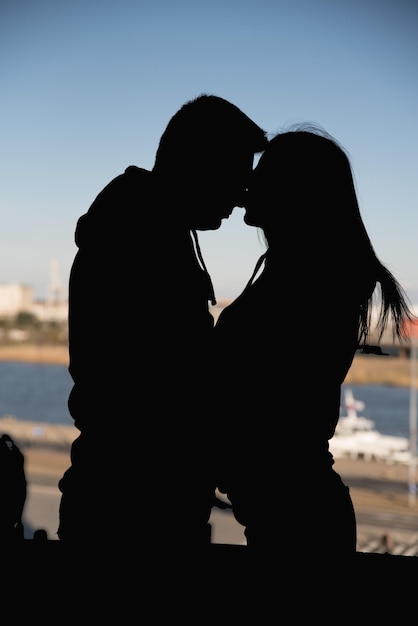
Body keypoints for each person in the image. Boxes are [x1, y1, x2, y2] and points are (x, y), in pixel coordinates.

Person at [57, 94, 268, 550]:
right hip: (133, 510)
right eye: (236, 176)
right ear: (200, 163)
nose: (241, 195)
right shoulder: (142, 237)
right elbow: (163, 383)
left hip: (126, 497)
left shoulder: (148, 226)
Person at [214, 125, 415, 562]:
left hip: (295, 521)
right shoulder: (301, 276)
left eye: (262, 174)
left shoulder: (305, 287)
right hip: (294, 512)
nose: (248, 183)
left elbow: (266, 405)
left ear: (294, 191)